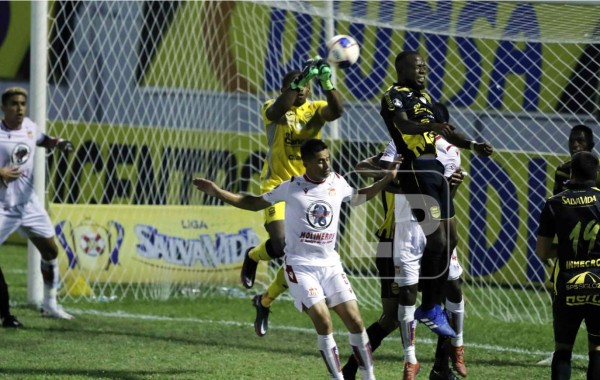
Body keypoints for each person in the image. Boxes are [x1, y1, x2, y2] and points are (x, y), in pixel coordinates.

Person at [194, 138, 399, 379]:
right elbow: (252, 203)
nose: (326, 165)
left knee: (355, 321)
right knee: (324, 322)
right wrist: (217, 191)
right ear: (306, 163)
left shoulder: (337, 182)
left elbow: (358, 197)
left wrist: (385, 180)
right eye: (320, 161)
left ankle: (369, 377)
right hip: (301, 267)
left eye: (328, 159)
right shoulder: (290, 187)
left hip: (330, 264)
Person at [379, 51, 492, 338]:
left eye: (424, 66)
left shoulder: (427, 99)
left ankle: (432, 306)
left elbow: (449, 133)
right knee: (438, 239)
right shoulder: (393, 95)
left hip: (435, 170)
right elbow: (403, 125)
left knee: (451, 239)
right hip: (414, 169)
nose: (423, 69)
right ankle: (429, 306)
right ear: (401, 67)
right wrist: (430, 125)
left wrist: (474, 145)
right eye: (417, 66)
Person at [343, 132, 467, 380]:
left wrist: (450, 186)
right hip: (391, 241)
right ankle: (350, 368)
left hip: (429, 232)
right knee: (390, 317)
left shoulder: (439, 160)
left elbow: (437, 203)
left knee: (449, 295)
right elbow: (362, 166)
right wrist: (390, 174)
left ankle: (441, 367)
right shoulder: (396, 158)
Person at [240, 57, 343, 337]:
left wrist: (327, 82)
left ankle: (264, 301)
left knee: (292, 254)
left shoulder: (316, 110)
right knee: (281, 242)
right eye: (294, 87)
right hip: (277, 185)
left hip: (308, 191)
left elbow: (337, 110)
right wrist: (296, 83)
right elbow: (277, 110)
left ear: (310, 90)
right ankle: (253, 256)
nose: (300, 92)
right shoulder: (271, 107)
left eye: (304, 87)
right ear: (285, 89)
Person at [0, 87, 75, 323]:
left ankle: (50, 304)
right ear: (4, 107)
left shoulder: (30, 127)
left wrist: (59, 142)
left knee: (51, 250)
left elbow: (43, 139)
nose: (20, 108)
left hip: (28, 205)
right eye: (14, 104)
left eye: (22, 103)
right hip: (2, 206)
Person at [536, 151, 600, 380]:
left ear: (571, 172)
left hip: (567, 282)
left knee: (563, 349)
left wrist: (563, 250)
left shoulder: (554, 203)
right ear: (596, 173)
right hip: (598, 281)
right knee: (597, 347)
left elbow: (542, 252)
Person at [553, 124, 596, 195]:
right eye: (571, 141)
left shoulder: (598, 170)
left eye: (580, 141)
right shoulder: (562, 171)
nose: (574, 145)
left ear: (591, 145)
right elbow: (557, 202)